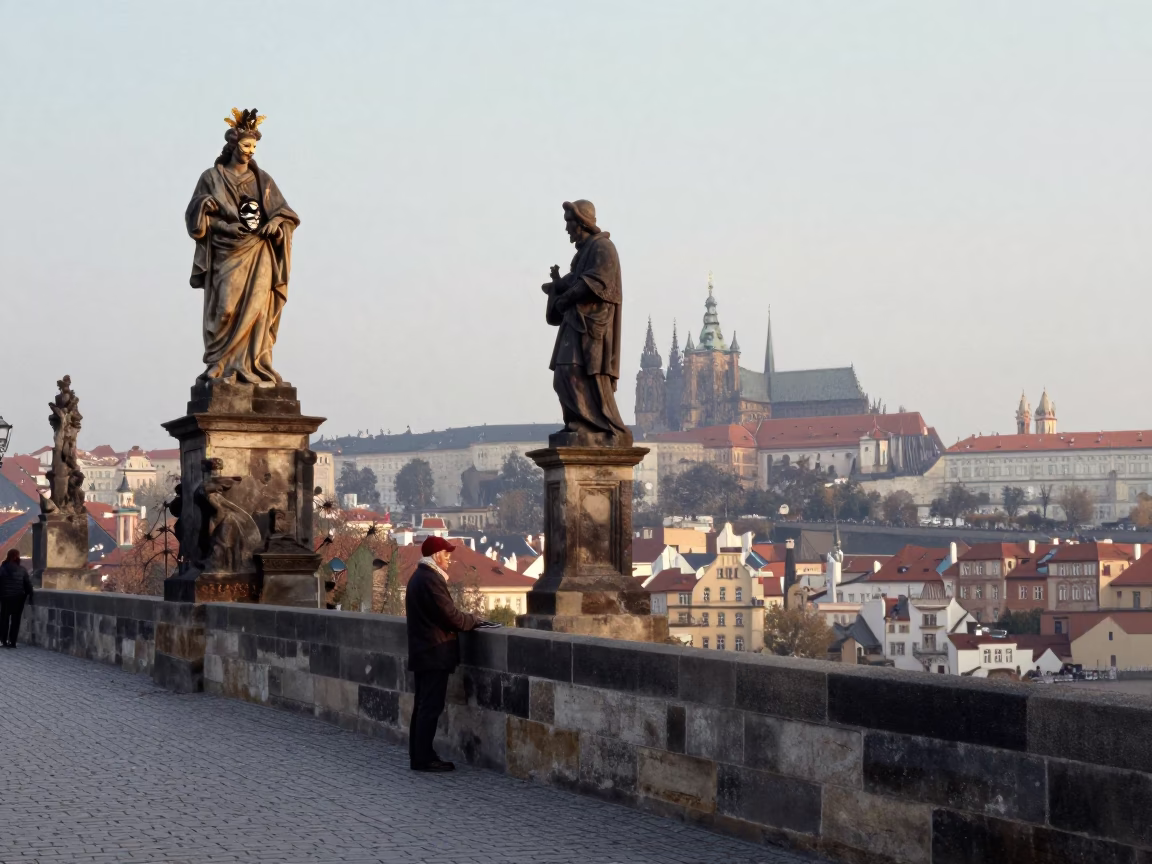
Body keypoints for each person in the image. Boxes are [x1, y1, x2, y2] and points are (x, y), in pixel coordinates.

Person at [405, 536, 477, 772]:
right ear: (436, 556)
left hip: (423, 651)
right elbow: (451, 616)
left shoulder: (419, 577)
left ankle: (419, 755)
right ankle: (424, 757)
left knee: (422, 705)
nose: (450, 558)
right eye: (447, 554)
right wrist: (473, 621)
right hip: (434, 652)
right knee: (430, 706)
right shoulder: (430, 579)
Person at [0, 549, 34, 648]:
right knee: (16, 620)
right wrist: (30, 594)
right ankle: (13, 642)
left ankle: (3, 640)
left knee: (4, 619)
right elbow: (27, 584)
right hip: (19, 598)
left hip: (5, 597)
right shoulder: (22, 569)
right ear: (16, 557)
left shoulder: (2, 568)